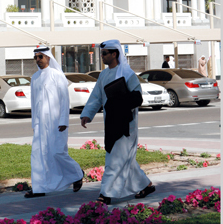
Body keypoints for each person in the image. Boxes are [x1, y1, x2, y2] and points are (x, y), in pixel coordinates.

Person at [80, 40, 155, 204]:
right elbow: (96, 96)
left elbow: (137, 97)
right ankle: (146, 185)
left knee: (114, 159)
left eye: (104, 53)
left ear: (115, 54)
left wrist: (120, 101)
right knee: (124, 158)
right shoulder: (103, 75)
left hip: (126, 124)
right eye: (101, 53)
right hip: (111, 121)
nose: (102, 56)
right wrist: (87, 114)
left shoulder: (127, 74)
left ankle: (105, 194)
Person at [24, 47, 84, 198]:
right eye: (36, 57)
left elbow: (64, 100)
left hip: (56, 122)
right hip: (40, 123)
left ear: (48, 57)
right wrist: (34, 123)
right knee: (38, 155)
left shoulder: (57, 75)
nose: (38, 60)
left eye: (40, 57)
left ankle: (77, 174)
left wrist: (63, 120)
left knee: (58, 152)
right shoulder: (35, 77)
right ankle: (39, 188)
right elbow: (34, 102)